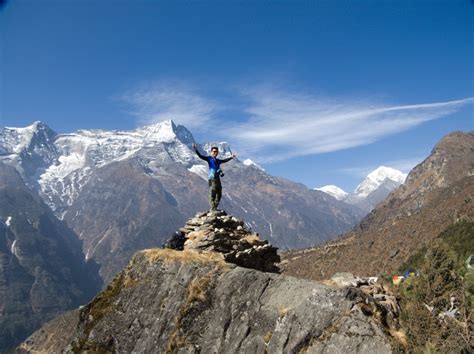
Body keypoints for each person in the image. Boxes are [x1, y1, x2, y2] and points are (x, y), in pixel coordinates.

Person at [192, 143, 237, 211]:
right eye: (213, 151)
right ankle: (212, 208)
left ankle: (215, 207)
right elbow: (200, 156)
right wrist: (195, 149)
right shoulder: (209, 159)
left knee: (219, 193)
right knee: (212, 192)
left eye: (216, 151)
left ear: (217, 153)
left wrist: (231, 157)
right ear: (211, 152)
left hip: (217, 178)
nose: (215, 152)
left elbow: (224, 160)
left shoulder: (218, 161)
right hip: (211, 178)